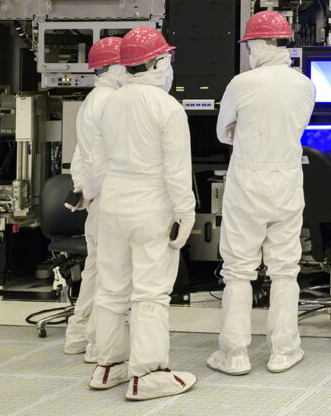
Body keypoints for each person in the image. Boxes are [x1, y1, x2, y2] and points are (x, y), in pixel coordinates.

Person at [88, 27, 197, 400]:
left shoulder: (111, 102)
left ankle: (109, 365)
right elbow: (177, 170)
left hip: (113, 203)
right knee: (151, 292)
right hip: (152, 205)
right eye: (167, 59)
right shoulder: (167, 107)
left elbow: (97, 161)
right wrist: (186, 213)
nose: (169, 66)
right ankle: (147, 375)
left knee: (111, 287)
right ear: (154, 63)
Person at [208, 11, 315, 376]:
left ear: (256, 44)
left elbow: (224, 133)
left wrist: (245, 130)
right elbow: (296, 127)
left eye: (249, 45)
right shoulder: (304, 85)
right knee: (285, 269)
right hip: (286, 180)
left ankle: (234, 354)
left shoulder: (242, 83)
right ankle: (284, 351)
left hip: (247, 181)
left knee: (238, 270)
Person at [64, 37, 126, 362]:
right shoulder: (110, 102)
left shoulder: (92, 99)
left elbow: (80, 154)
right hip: (108, 196)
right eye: (126, 64)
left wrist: (84, 189)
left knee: (95, 267)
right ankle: (96, 343)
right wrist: (101, 192)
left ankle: (78, 334)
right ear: (111, 67)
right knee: (108, 271)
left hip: (97, 196)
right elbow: (103, 158)